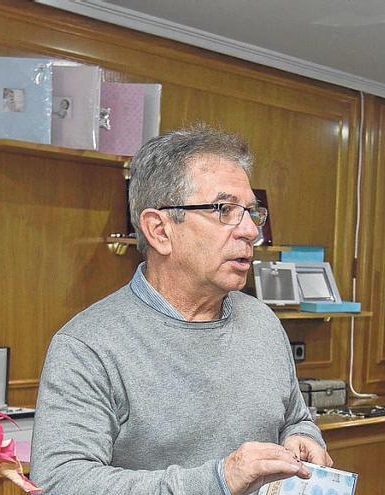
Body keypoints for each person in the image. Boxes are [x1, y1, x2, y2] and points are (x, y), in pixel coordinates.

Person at [31, 124, 332, 494]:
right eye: (224, 209)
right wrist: (218, 480)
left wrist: (302, 435)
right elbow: (61, 483)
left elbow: (294, 417)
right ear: (159, 230)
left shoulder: (262, 321)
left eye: (251, 213)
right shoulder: (88, 345)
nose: (251, 231)